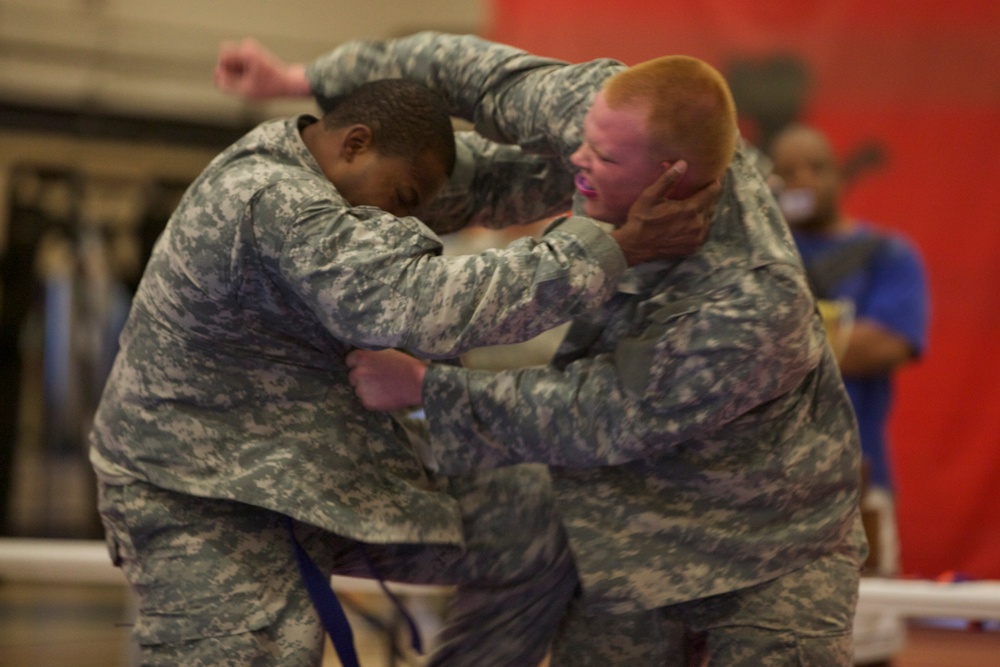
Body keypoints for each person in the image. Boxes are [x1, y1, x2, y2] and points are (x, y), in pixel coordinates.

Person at [220, 32, 867, 665]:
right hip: (625, 528)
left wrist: (424, 388)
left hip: (769, 543)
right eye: (585, 140)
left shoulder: (753, 301)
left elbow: (601, 414)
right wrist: (301, 79)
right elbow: (461, 68)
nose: (579, 159)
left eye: (606, 160)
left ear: (673, 179)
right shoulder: (610, 113)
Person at [90, 75, 718, 666]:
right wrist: (620, 247)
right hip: (201, 490)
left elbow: (491, 183)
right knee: (264, 649)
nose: (401, 219)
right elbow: (421, 305)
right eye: (403, 199)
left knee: (541, 520)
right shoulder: (271, 198)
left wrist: (614, 171)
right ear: (356, 144)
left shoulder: (330, 175)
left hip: (298, 467)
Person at [768, 123, 930, 576]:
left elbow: (886, 343)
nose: (804, 181)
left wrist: (769, 345)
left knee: (870, 626)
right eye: (788, 172)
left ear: (838, 176)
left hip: (859, 476)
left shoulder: (888, 255)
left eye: (816, 168)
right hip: (762, 487)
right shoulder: (757, 255)